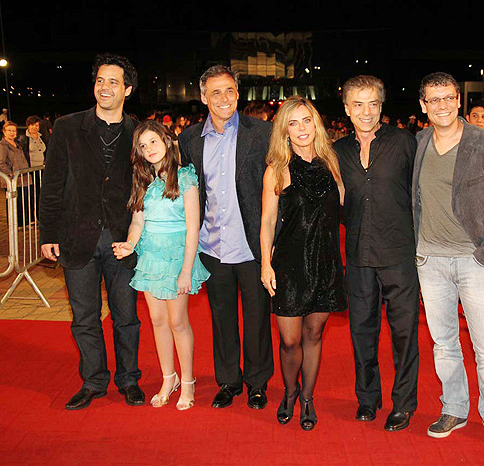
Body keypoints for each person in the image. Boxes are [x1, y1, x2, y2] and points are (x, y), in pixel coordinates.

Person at [414, 72, 484, 447]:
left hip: (475, 261)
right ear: (423, 106)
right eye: (433, 99)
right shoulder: (420, 142)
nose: (441, 105)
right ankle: (455, 407)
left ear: (458, 100)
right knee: (443, 343)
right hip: (430, 261)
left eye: (448, 98)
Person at [39, 53, 145, 410]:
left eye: (114, 82)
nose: (105, 87)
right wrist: (47, 233)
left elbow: (149, 188)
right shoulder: (67, 127)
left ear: (127, 90)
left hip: (123, 241)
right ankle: (93, 381)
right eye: (100, 80)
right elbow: (51, 184)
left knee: (126, 315)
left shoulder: (139, 134)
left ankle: (129, 379)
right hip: (76, 237)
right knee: (84, 317)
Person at [178, 65, 274, 410]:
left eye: (230, 91)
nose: (223, 98)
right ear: (203, 97)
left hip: (251, 245)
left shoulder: (262, 132)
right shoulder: (188, 139)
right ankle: (229, 381)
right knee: (222, 318)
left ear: (238, 94)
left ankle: (257, 382)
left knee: (257, 317)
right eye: (215, 92)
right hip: (211, 246)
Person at [334, 75, 420, 432]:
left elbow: (420, 194)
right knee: (362, 331)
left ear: (382, 106)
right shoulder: (337, 151)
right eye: (357, 104)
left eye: (372, 103)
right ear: (346, 108)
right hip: (357, 255)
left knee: (404, 333)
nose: (365, 112)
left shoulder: (404, 142)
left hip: (399, 253)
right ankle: (368, 399)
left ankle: (403, 404)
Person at [260, 96, 347, 430]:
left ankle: (308, 398)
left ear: (316, 124)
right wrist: (266, 264)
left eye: (306, 121)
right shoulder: (277, 169)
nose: (301, 129)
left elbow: (342, 209)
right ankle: (290, 391)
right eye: (292, 123)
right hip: (289, 266)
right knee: (290, 340)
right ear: (284, 130)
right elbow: (268, 221)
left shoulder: (332, 163)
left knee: (314, 333)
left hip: (325, 263)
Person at [112, 120, 210, 409]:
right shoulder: (143, 181)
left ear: (167, 141)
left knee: (178, 321)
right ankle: (170, 377)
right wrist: (130, 243)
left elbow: (193, 229)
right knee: (157, 321)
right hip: (150, 257)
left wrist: (185, 272)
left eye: (153, 141)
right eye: (142, 146)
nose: (149, 149)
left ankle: (188, 382)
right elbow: (137, 221)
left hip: (178, 257)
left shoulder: (185, 178)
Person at [0, 121, 31, 226]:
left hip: (23, 178)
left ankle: (24, 221)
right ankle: (14, 223)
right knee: (14, 202)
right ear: (4, 132)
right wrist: (10, 174)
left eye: (13, 130)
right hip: (12, 179)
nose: (12, 133)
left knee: (23, 201)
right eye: (9, 130)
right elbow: (1, 162)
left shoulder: (18, 144)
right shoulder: (2, 145)